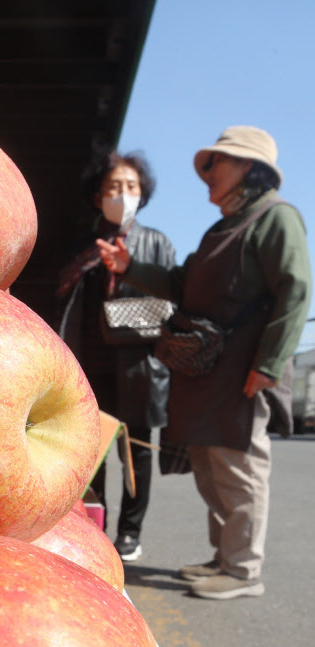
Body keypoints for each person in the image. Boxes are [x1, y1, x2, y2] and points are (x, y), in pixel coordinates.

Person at [97, 126, 312, 599]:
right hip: (206, 373)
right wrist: (128, 268)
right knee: (213, 472)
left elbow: (295, 292)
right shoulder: (223, 226)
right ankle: (224, 558)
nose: (207, 174)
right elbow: (181, 283)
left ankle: (242, 571)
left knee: (239, 470)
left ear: (248, 169)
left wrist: (271, 364)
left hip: (243, 372)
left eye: (218, 163)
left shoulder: (276, 218)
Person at [54, 146, 175, 562]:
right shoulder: (82, 249)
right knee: (95, 451)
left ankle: (130, 534)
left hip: (140, 367)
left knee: (137, 451)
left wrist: (117, 316)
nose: (122, 194)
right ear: (96, 196)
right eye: (113, 187)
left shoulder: (156, 243)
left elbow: (168, 308)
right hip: (90, 366)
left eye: (131, 186)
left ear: (143, 193)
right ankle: (95, 525)